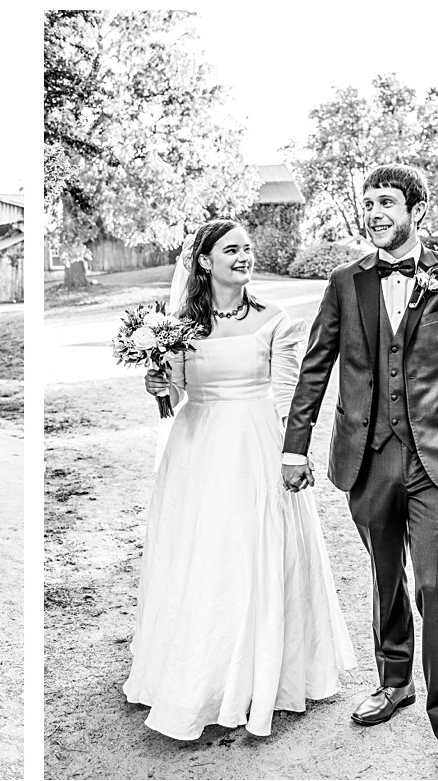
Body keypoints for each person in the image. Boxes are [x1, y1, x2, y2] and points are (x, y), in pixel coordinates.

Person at [282, 164, 438, 780]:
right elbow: (317, 366)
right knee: (384, 576)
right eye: (367, 202)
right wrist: (295, 446)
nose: (374, 213)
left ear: (416, 211)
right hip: (368, 456)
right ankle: (393, 680)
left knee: (432, 585)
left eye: (387, 203)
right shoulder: (344, 282)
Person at [128, 218, 355, 741]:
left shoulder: (276, 319)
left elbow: (290, 396)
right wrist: (157, 384)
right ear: (204, 262)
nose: (243, 257)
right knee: (204, 556)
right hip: (197, 448)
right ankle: (198, 671)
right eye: (231, 250)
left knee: (253, 554)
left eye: (247, 249)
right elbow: (178, 397)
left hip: (255, 445)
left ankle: (264, 674)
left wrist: (291, 455)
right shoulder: (177, 323)